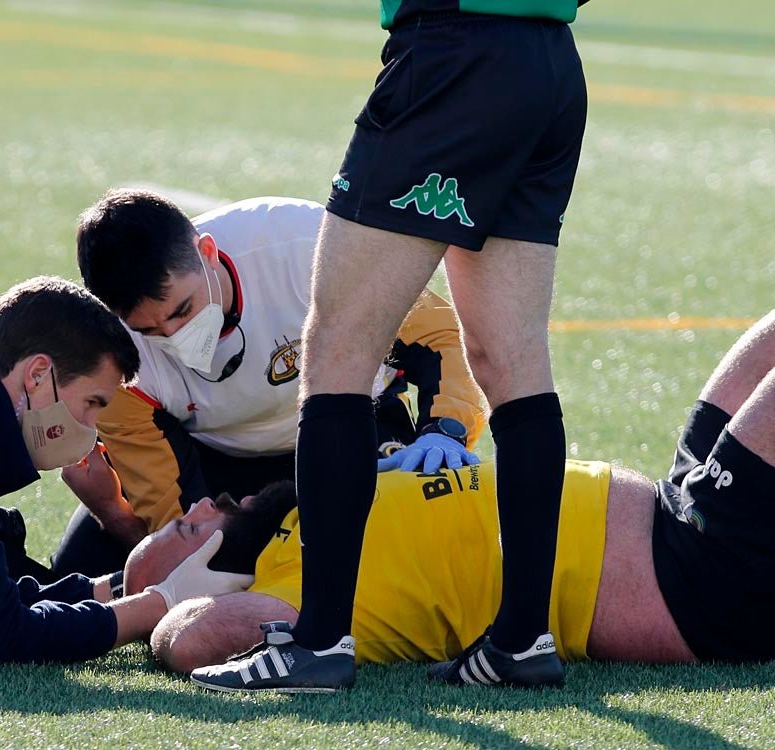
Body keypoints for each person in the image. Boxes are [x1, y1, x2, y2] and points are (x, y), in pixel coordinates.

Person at [120, 298, 775, 689]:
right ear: (206, 574)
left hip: (672, 513)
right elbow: (193, 636)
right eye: (186, 532)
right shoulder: (292, 598)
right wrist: (149, 604)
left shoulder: (303, 515)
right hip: (704, 591)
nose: (195, 509)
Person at [212, 0, 594, 692]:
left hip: (454, 55)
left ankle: (319, 642)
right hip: (549, 64)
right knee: (511, 359)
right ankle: (520, 639)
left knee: (337, 348)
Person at [55, 189, 484, 577]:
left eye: (183, 310)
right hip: (218, 463)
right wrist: (124, 521)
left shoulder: (305, 244)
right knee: (82, 569)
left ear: (206, 252)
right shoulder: (111, 353)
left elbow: (437, 335)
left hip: (353, 430)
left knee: (422, 553)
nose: (173, 337)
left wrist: (445, 430)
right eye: (149, 331)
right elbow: (173, 514)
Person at [0, 277, 258, 663]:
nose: (92, 425)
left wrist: (124, 589)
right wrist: (161, 603)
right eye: (92, 402)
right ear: (37, 374)